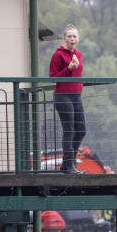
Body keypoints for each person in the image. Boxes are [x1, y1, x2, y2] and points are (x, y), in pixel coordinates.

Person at [49, 24, 86, 173]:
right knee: (69, 130)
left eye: (74, 36)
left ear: (78, 39)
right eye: (69, 36)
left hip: (77, 96)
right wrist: (68, 69)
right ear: (64, 38)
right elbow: (52, 77)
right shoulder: (58, 55)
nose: (72, 39)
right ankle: (70, 165)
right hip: (63, 95)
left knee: (81, 130)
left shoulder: (79, 54)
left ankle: (66, 163)